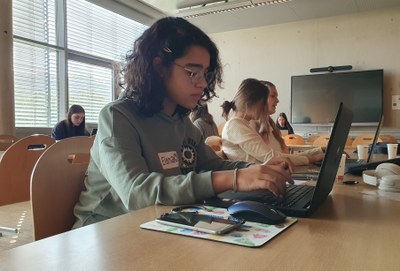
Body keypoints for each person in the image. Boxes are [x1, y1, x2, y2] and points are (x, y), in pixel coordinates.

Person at [72, 17, 294, 228]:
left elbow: (212, 166)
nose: (203, 84)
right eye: (192, 72)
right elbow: (136, 193)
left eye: (205, 74)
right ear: (159, 67)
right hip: (105, 231)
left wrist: (258, 171)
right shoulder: (117, 116)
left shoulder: (181, 121)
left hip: (160, 222)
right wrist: (234, 179)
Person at [221, 78, 323, 166]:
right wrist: (310, 159)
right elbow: (270, 157)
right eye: (262, 102)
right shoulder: (235, 126)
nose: (262, 107)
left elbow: (278, 156)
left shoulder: (241, 125)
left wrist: (318, 151)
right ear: (251, 102)